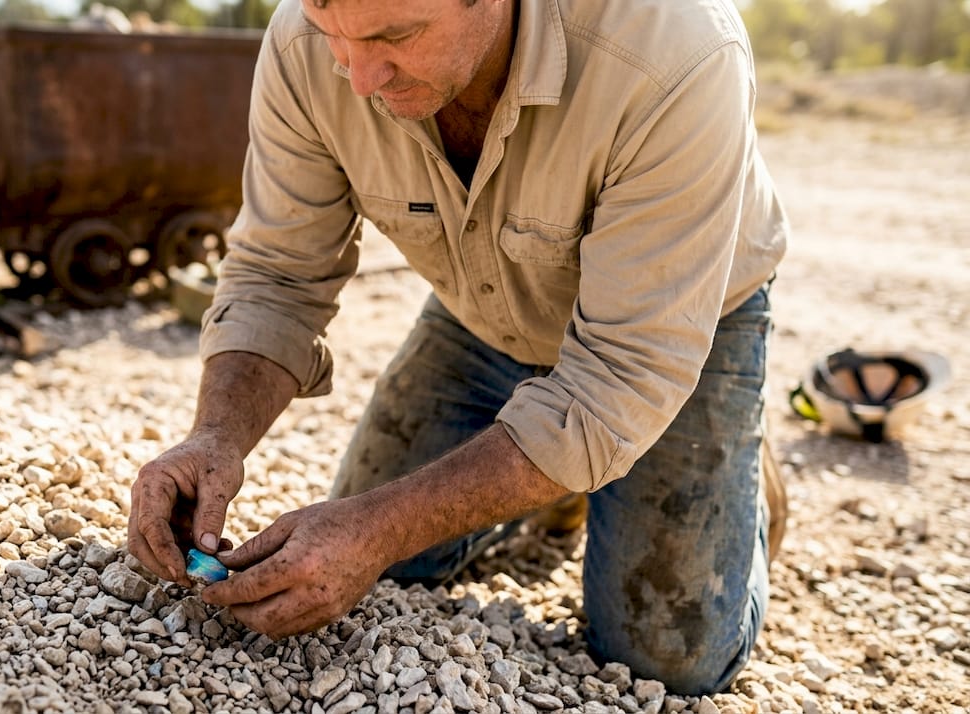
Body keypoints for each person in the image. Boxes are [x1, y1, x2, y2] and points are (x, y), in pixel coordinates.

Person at [128, 0, 789, 695]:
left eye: (396, 37)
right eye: (336, 39)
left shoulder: (679, 51)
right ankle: (562, 475)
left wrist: (380, 527)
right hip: (489, 312)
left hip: (671, 332)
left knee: (667, 659)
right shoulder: (303, 40)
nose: (358, 78)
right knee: (384, 564)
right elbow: (276, 276)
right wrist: (214, 436)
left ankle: (746, 482)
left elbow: (619, 380)